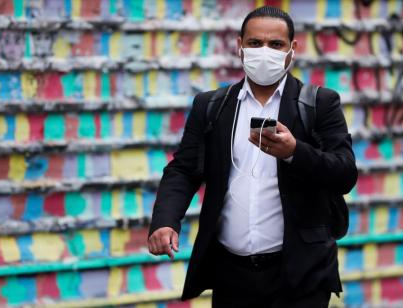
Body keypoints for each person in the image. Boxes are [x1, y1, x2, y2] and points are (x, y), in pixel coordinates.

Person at [148, 6, 357, 308]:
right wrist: (165, 221)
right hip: (231, 276)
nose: (264, 52)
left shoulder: (318, 103)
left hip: (299, 277)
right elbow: (183, 169)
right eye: (255, 43)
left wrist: (295, 152)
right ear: (240, 47)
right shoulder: (213, 106)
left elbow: (345, 173)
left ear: (291, 49)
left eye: (275, 45)